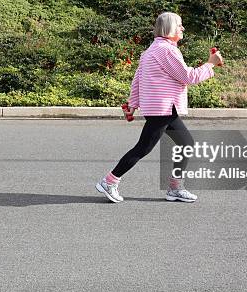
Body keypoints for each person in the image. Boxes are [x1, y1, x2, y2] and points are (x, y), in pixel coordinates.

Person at [96, 12, 224, 203]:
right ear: (170, 28)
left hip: (163, 109)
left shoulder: (150, 51)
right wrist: (210, 64)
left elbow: (138, 80)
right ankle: (109, 181)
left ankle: (175, 188)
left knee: (186, 144)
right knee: (143, 148)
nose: (183, 28)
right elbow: (188, 77)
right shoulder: (167, 51)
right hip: (162, 108)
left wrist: (132, 104)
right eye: (179, 25)